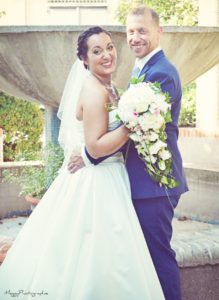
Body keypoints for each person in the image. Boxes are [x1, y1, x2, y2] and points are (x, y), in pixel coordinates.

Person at [0, 26, 165, 300]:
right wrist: (135, 123)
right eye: (97, 51)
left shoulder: (109, 86)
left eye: (109, 47)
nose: (107, 54)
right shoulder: (93, 90)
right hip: (96, 180)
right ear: (85, 59)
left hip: (110, 174)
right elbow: (95, 146)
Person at [68, 6, 189, 300]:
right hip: (136, 180)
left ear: (159, 31)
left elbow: (139, 125)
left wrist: (88, 155)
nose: (135, 38)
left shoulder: (161, 73)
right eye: (131, 32)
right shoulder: (140, 69)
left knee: (158, 258)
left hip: (154, 184)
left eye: (142, 30)